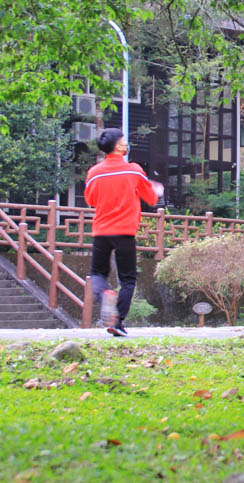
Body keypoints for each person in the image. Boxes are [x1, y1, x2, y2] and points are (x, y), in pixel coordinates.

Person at [85, 128, 159, 337]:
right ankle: (118, 321)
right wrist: (155, 190)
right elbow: (151, 198)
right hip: (125, 231)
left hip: (101, 231)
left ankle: (105, 294)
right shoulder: (133, 170)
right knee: (127, 279)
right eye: (124, 141)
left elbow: (91, 200)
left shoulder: (93, 173)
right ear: (118, 146)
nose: (127, 144)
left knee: (98, 274)